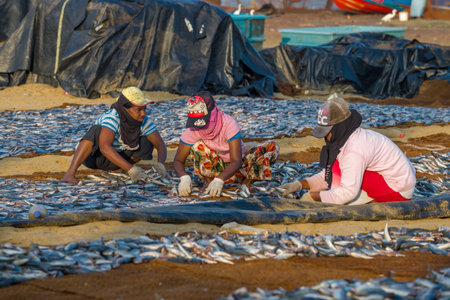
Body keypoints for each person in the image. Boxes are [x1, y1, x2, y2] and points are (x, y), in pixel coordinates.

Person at [280, 93, 416, 205]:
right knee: (337, 176)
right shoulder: (346, 140)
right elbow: (328, 175)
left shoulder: (354, 150)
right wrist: (299, 185)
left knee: (342, 198)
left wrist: (314, 197)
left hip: (398, 189)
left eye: (327, 131)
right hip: (387, 178)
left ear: (340, 126)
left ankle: (375, 198)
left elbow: (348, 193)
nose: (326, 136)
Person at [173, 91, 279, 197]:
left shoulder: (228, 123)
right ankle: (210, 183)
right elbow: (178, 160)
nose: (200, 126)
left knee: (271, 146)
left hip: (241, 169)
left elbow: (236, 161)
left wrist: (220, 179)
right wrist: (184, 177)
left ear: (212, 113)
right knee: (197, 146)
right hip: (216, 171)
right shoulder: (193, 129)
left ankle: (247, 183)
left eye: (203, 121)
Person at [62, 87, 167, 184]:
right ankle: (70, 174)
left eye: (144, 109)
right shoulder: (112, 117)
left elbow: (160, 144)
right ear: (125, 109)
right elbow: (104, 147)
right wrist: (132, 169)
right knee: (96, 131)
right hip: (94, 158)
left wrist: (160, 164)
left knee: (147, 141)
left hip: (116, 159)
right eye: (138, 110)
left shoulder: (144, 121)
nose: (143, 113)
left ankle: (119, 169)